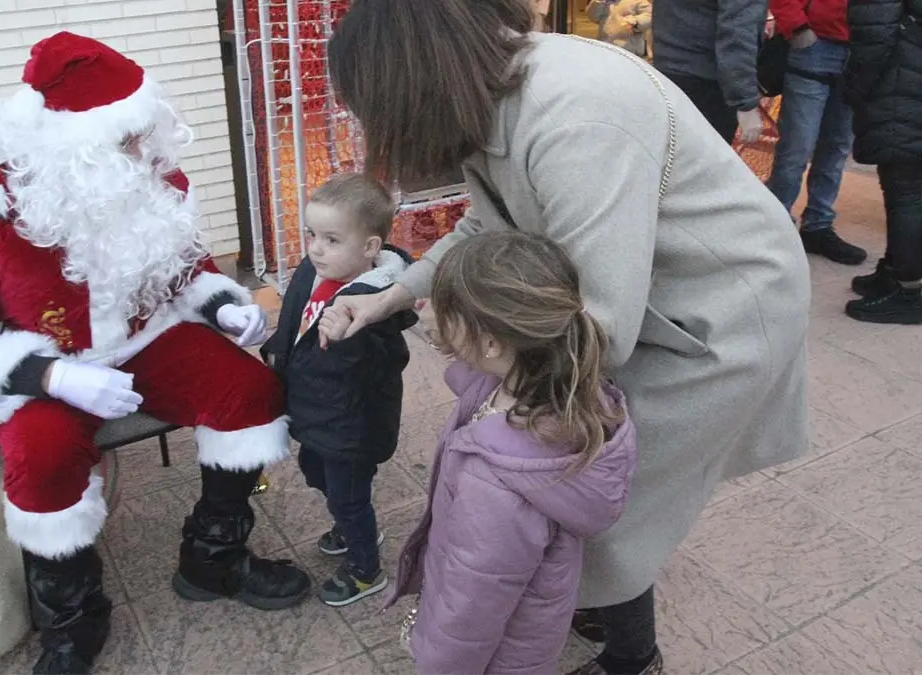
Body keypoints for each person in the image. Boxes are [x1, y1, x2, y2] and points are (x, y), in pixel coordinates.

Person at [323, 2, 811, 674]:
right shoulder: (495, 98)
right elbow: (489, 227)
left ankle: (632, 657)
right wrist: (393, 295)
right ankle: (593, 602)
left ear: (409, 84)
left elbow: (598, 327)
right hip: (652, 298)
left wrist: (472, 342)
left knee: (590, 481)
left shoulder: (577, 117)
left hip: (718, 309)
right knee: (575, 476)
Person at [0, 32, 310, 674]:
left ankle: (213, 560)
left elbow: (186, 265)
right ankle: (73, 620)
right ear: (68, 142)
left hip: (147, 340)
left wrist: (222, 304)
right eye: (123, 139)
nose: (141, 149)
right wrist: (52, 377)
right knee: (41, 458)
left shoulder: (145, 171)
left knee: (251, 391)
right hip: (46, 366)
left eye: (140, 132)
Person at [386, 231, 639, 674]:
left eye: (446, 310)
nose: (433, 314)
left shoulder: (494, 483)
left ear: (491, 343)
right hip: (526, 640)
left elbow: (471, 607)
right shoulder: (555, 389)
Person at [261, 174, 417, 606]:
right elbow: (297, 322)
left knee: (348, 496)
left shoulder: (374, 309)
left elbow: (381, 367)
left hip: (351, 426)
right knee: (315, 473)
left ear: (370, 247)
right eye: (311, 234)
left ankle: (366, 569)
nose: (315, 248)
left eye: (331, 239)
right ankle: (351, 525)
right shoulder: (316, 271)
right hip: (316, 412)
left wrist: (348, 340)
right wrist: (277, 348)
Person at [767, 0, 867, 265]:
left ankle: (817, 226)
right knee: (797, 147)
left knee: (837, 146)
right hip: (814, 45)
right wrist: (797, 27)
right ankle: (775, 226)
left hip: (861, 51)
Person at [842, 0, 922, 324]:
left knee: (905, 192)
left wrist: (853, 88)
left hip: (899, 86)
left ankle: (910, 291)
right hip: (910, 80)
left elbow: (873, 38)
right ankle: (894, 272)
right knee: (907, 188)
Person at [651, 0, 767, 144]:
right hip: (707, 78)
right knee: (698, 153)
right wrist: (745, 101)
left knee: (671, 148)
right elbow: (737, 34)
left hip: (668, 62)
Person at [588, 0, 653, 58]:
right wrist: (598, 2)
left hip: (629, 50)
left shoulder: (637, 1)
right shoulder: (602, 2)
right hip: (605, 46)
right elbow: (593, 17)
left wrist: (636, 21)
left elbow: (651, 15)